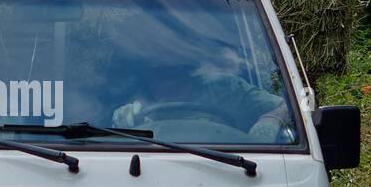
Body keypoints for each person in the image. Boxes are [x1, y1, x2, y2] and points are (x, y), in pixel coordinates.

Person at [111, 40, 295, 141]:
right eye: (156, 72)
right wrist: (123, 127)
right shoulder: (135, 103)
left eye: (173, 71)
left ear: (188, 68)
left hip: (232, 165)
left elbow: (288, 106)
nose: (165, 81)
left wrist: (270, 119)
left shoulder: (226, 87)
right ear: (146, 74)